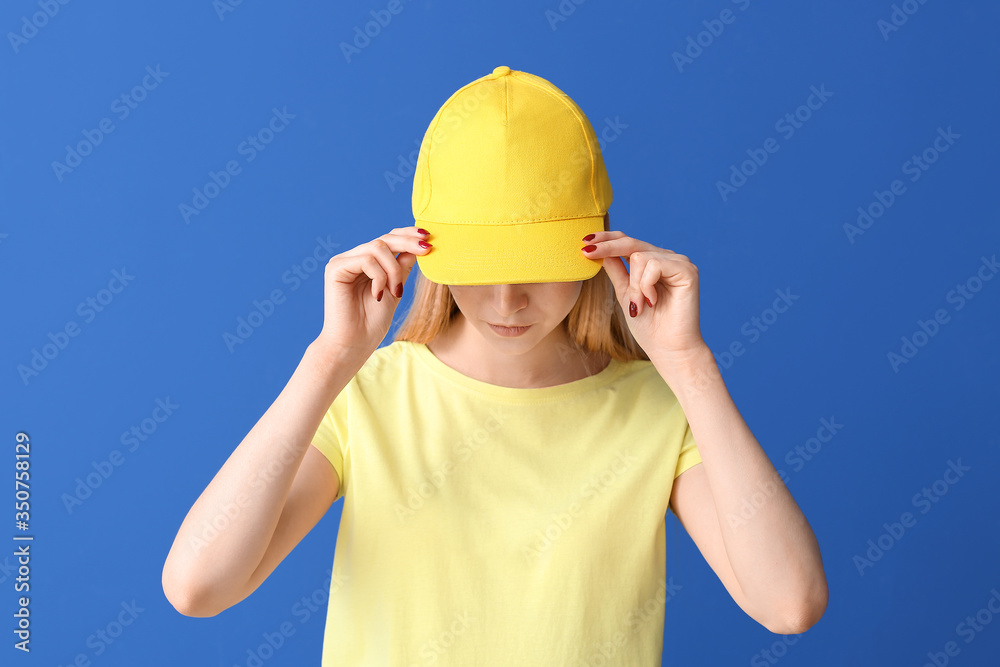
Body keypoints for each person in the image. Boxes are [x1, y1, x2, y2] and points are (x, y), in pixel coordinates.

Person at [161, 66, 828, 665]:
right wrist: (328, 360)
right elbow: (198, 584)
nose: (508, 301)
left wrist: (689, 364)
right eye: (479, 271)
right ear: (424, 253)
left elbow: (789, 603)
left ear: (599, 248)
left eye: (539, 266)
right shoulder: (368, 396)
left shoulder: (660, 407)